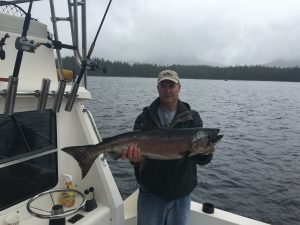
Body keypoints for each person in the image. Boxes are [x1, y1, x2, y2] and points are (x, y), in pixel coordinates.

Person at [122, 70, 213, 225]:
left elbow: (201, 160)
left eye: (171, 85)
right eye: (163, 85)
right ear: (158, 88)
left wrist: (205, 152)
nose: (167, 90)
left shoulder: (192, 118)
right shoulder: (144, 118)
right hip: (151, 192)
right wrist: (135, 159)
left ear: (179, 87)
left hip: (181, 193)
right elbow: (136, 161)